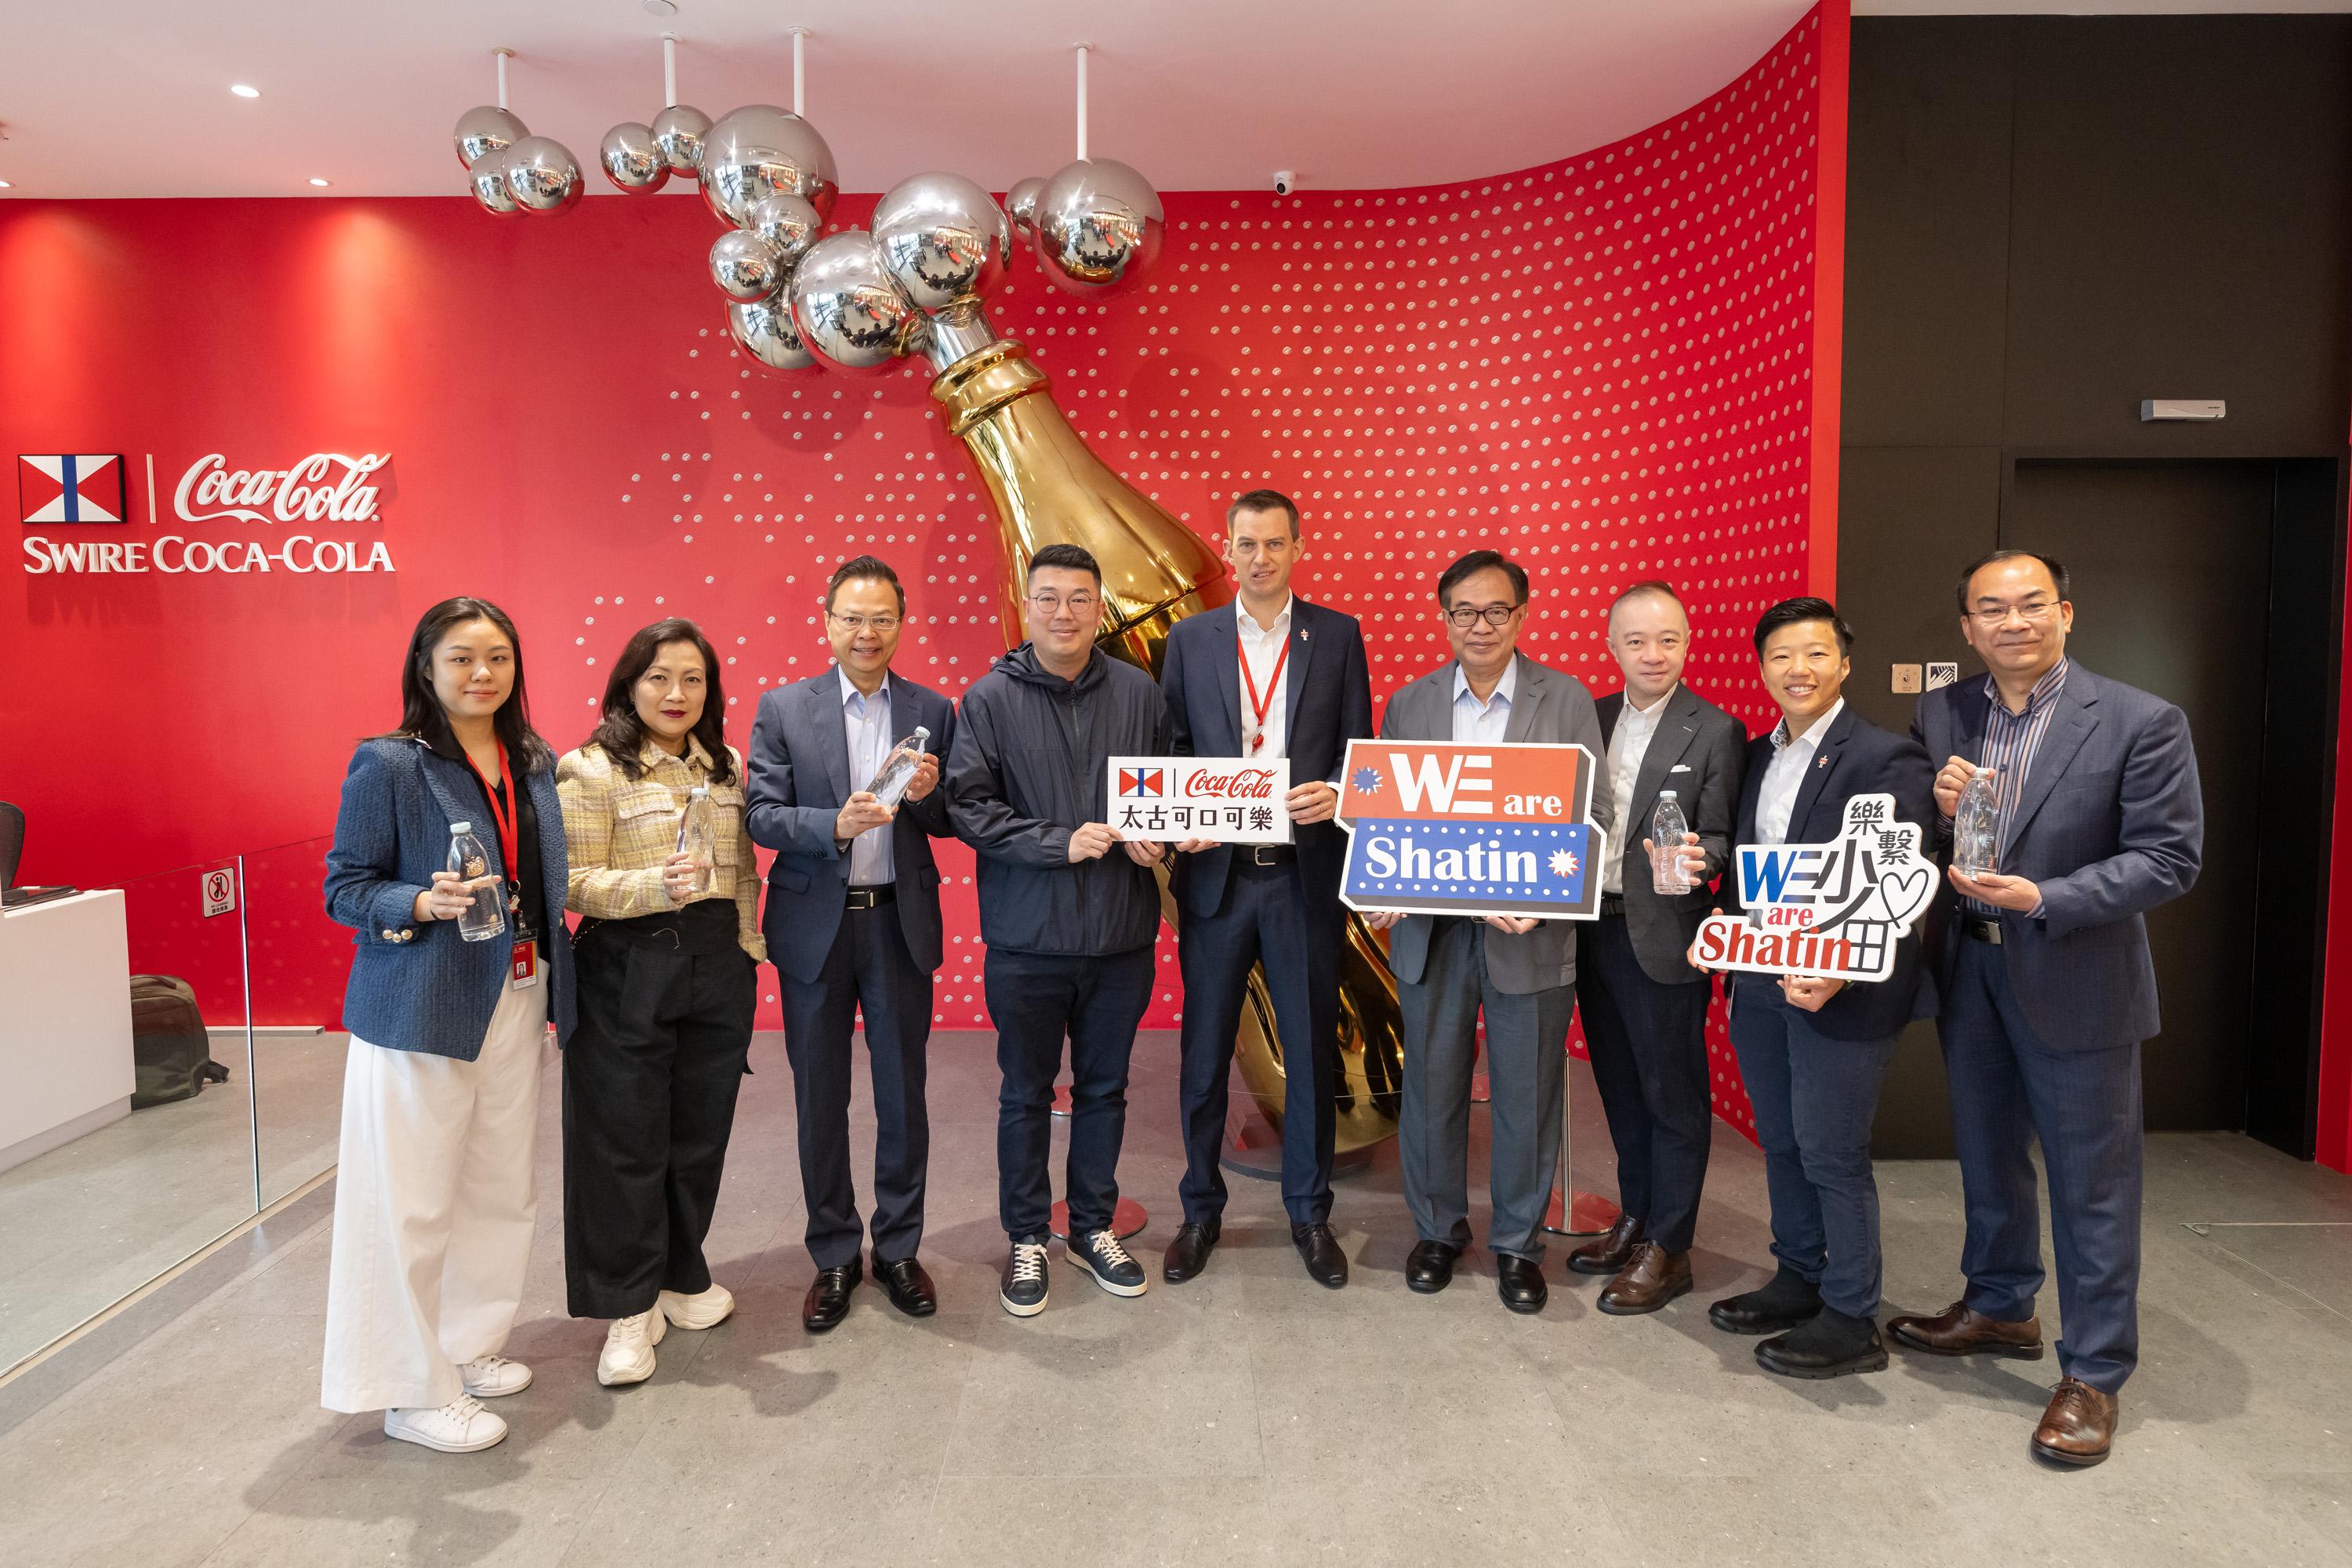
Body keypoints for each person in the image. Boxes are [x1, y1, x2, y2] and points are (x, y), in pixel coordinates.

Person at [1892, 550, 2202, 1466]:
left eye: (2031, 605)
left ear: (2066, 611)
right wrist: (1937, 808)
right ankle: (1998, 1304)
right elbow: (1933, 838)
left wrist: (2044, 897)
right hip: (1973, 971)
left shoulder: (2141, 720)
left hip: (2076, 971)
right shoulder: (1945, 710)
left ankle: (2095, 1370)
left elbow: (2169, 856)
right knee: (1989, 1153)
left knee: (2091, 1183)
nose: (2013, 621)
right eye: (1992, 609)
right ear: (1967, 628)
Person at [321, 596, 575, 1454]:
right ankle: (406, 1386)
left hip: (517, 986)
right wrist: (421, 900)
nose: (482, 673)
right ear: (426, 665)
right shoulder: (389, 763)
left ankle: (467, 1346)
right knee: (411, 1198)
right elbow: (345, 885)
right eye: (462, 657)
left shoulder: (529, 757)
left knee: (500, 1184)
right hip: (422, 999)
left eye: (498, 656)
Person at [1360, 549, 1613, 1314]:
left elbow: (1592, 819)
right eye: (1464, 612)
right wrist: (1380, 884)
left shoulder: (1566, 700)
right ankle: (1438, 1229)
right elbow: (1387, 817)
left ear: (1523, 615)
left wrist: (1549, 897)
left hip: (1527, 933)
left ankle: (1516, 1243)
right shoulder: (1408, 704)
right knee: (1432, 1087)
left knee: (1526, 1094)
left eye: (1496, 610)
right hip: (1432, 935)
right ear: (1443, 619)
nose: (1480, 625)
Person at [1690, 597, 1935, 1379]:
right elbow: (1753, 873)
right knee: (1784, 1139)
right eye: (1782, 657)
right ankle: (1799, 1273)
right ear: (1762, 668)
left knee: (1832, 1148)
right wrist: (1718, 933)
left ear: (1845, 662)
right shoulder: (1758, 754)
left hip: (1844, 989)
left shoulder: (1885, 757)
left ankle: (1853, 1313)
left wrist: (1837, 962)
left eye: (1815, 654)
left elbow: (1895, 881)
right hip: (1763, 978)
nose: (1798, 669)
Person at [946, 543, 1171, 1318]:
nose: (1064, 613)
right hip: (1027, 939)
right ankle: (1026, 1234)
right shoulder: (988, 698)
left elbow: (1170, 785)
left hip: (1120, 936)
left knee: (1106, 1088)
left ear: (1099, 606)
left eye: (1080, 598)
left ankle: (1094, 1226)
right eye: (1049, 598)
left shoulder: (1141, 691)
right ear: (1026, 603)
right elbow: (969, 807)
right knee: (1027, 1092)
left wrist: (1161, 837)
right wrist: (1057, 840)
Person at [1159, 490, 1374, 1290]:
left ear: (1297, 547)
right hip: (1217, 876)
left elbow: (1363, 752)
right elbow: (1173, 747)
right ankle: (1200, 1207)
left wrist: (1342, 795)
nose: (1259, 557)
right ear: (1228, 547)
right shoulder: (1192, 639)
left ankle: (1309, 1211)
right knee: (1205, 1051)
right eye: (1245, 543)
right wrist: (1182, 815)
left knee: (1310, 1049)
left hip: (1301, 875)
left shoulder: (1338, 636)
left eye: (1274, 543)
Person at [746, 557, 956, 1333]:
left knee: (905, 1097)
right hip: (815, 930)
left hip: (899, 922)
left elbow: (950, 821)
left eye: (881, 619)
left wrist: (934, 798)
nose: (866, 633)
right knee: (818, 1098)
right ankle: (834, 1253)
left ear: (901, 624)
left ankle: (898, 1248)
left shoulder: (934, 708)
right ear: (827, 621)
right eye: (851, 618)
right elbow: (760, 813)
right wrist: (829, 823)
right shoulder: (783, 708)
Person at [556, 619, 763, 1387]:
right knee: (625, 1140)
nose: (676, 694)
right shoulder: (590, 767)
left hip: (717, 965)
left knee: (698, 1136)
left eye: (693, 679)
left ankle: (680, 1274)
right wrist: (650, 888)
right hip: (625, 966)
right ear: (628, 683)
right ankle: (627, 1303)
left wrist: (747, 945)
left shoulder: (727, 765)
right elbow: (571, 881)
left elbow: (741, 869)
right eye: (658, 677)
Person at [1568, 581, 1745, 1314]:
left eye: (1667, 639)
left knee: (1673, 1095)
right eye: (1636, 640)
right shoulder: (1588, 716)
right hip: (1587, 928)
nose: (1653, 654)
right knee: (1618, 1085)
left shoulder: (1715, 728)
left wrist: (1703, 857)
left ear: (1687, 643)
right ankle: (1637, 1218)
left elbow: (1727, 836)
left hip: (1665, 932)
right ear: (1611, 647)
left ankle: (1670, 1247)